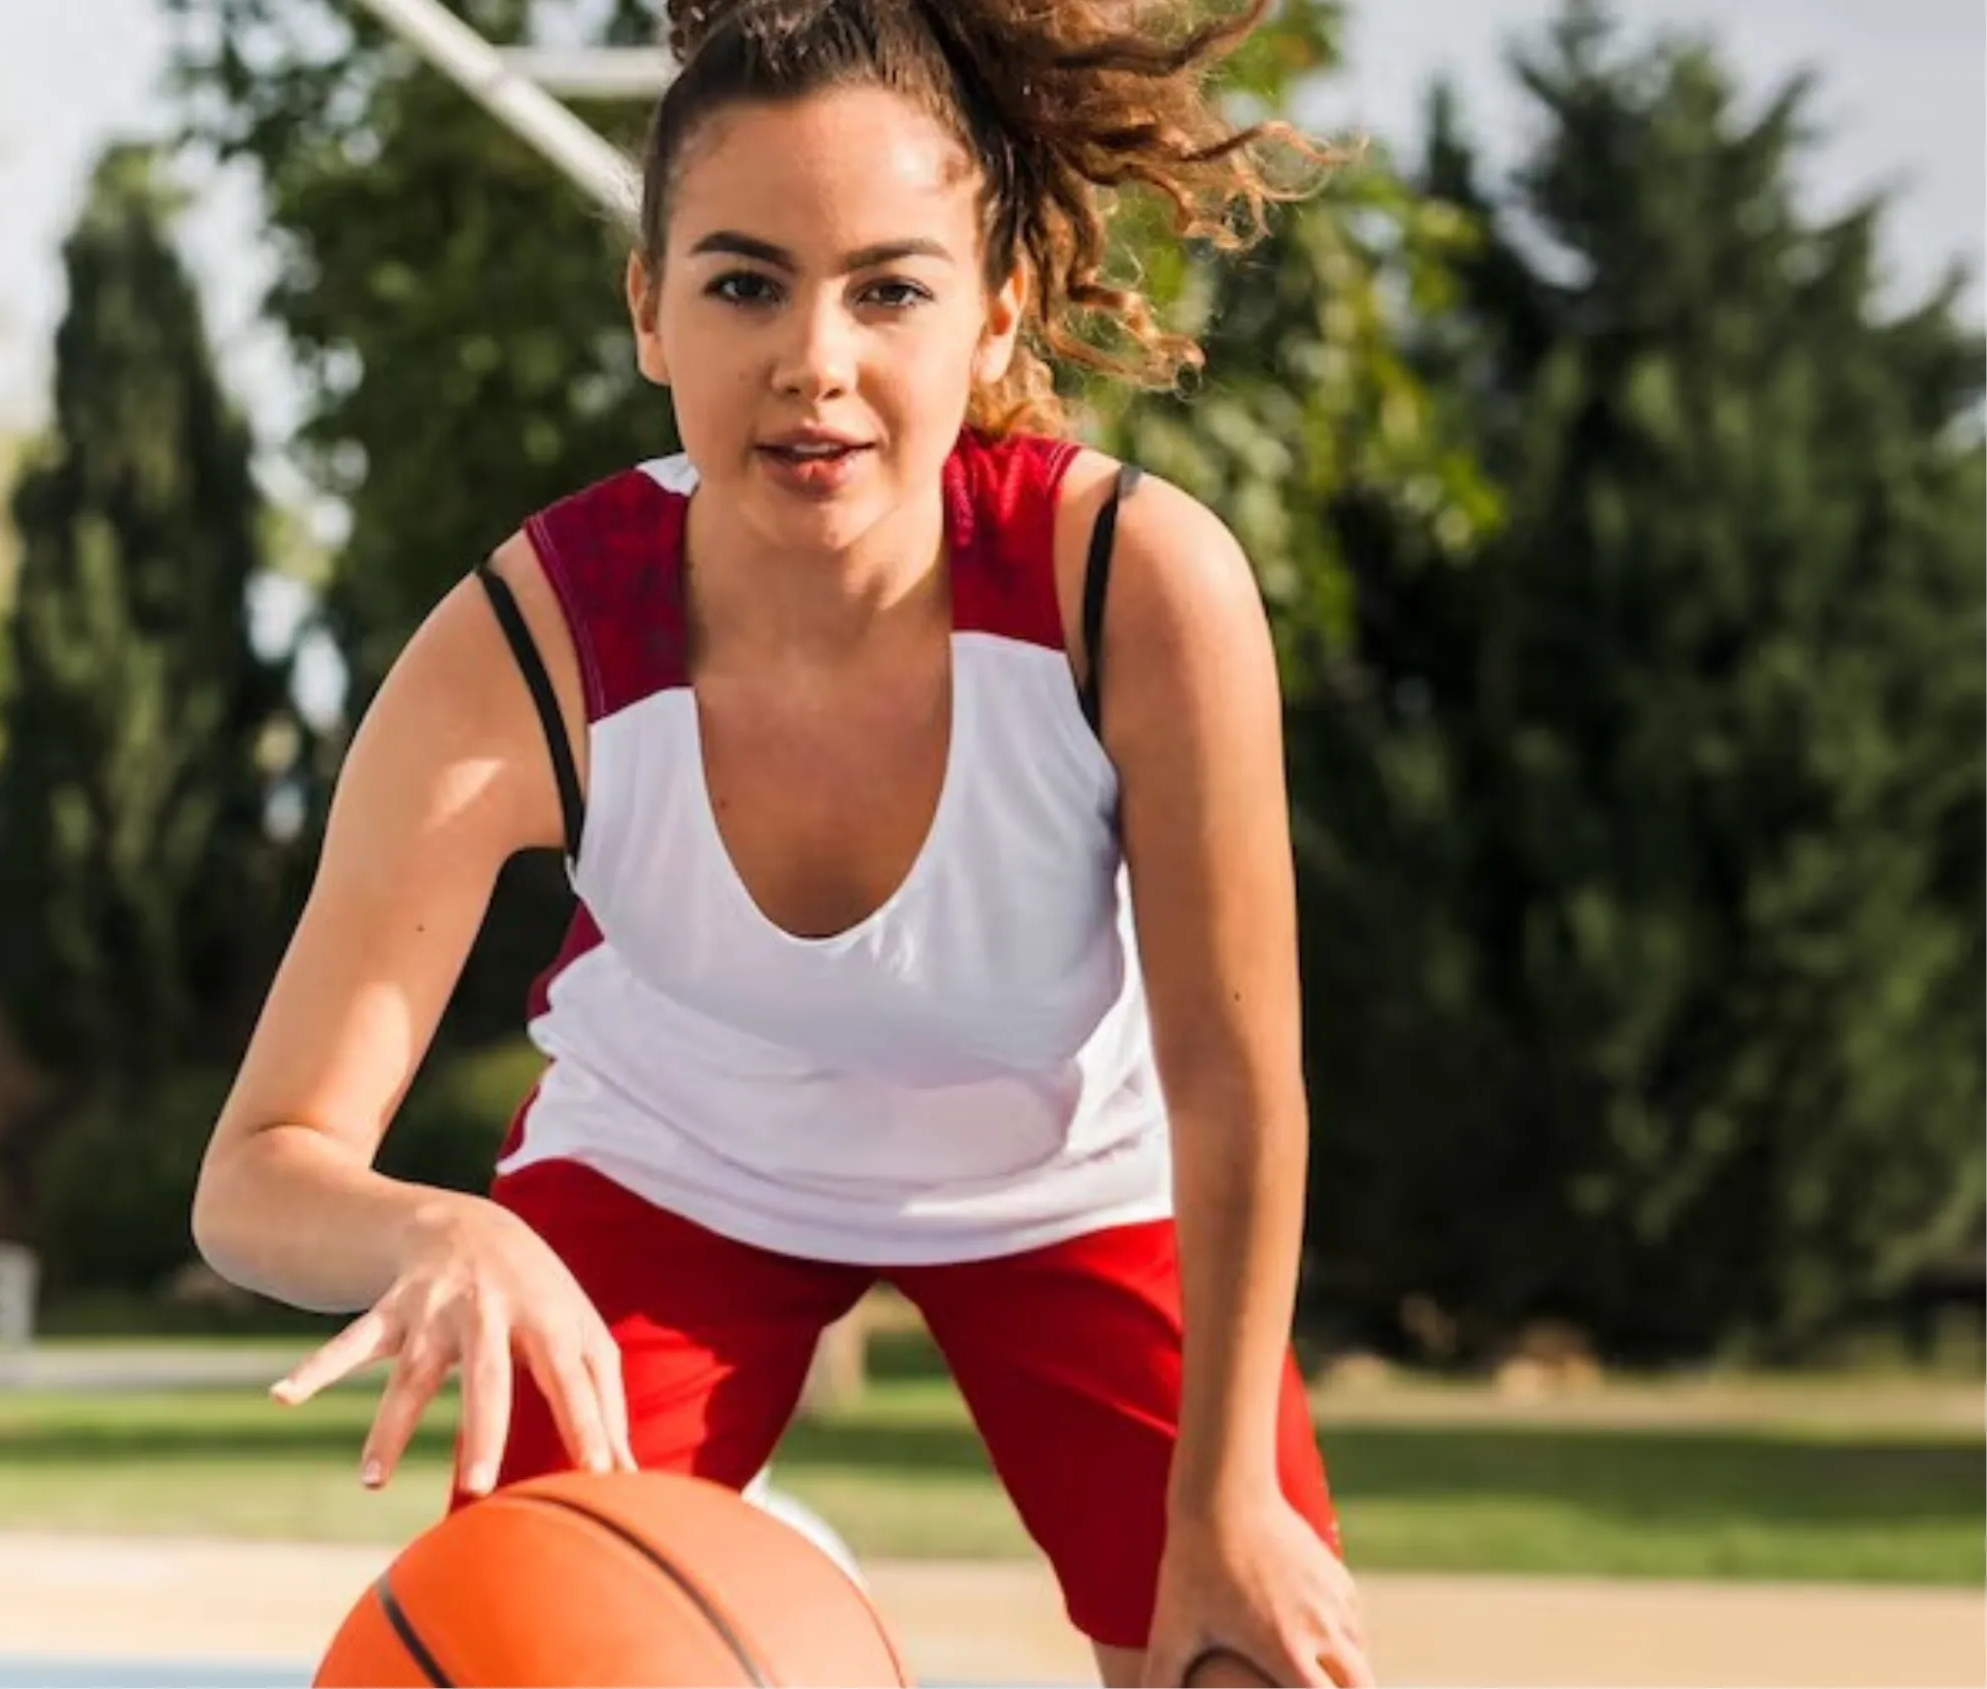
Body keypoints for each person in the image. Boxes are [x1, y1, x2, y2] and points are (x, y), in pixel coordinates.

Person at [191, 1, 1370, 1683]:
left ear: (993, 313)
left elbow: (1236, 1092)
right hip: (676, 1173)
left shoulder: (1135, 588)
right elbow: (257, 1171)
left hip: (1069, 1187)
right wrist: (443, 1228)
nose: (815, 359)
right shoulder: (534, 644)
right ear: (649, 311)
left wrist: (1230, 1500)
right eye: (743, 282)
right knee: (522, 1654)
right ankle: (736, 1590)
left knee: (1246, 1647)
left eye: (889, 288)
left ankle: (779, 1575)